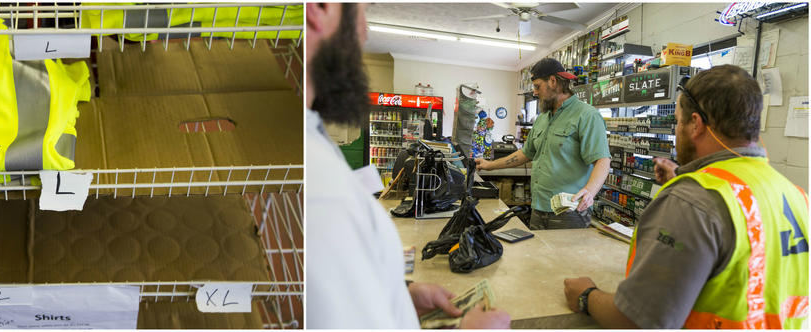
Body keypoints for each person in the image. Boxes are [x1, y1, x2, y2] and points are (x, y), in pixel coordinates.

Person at [305, 3, 510, 329]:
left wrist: (399, 293)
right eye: (360, 11)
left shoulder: (313, 137)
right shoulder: (314, 182)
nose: (365, 31)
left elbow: (345, 284)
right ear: (320, 8)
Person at [562, 65, 808, 328]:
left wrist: (587, 296)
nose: (677, 130)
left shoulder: (690, 201)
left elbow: (639, 321)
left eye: (678, 121)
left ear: (696, 124)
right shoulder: (796, 195)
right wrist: (684, 179)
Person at [475, 58, 611, 229]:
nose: (534, 92)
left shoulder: (587, 116)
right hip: (539, 206)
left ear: (553, 81)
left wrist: (590, 191)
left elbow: (602, 160)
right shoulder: (542, 118)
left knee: (564, 257)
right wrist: (489, 165)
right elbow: (525, 153)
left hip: (569, 211)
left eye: (537, 86)